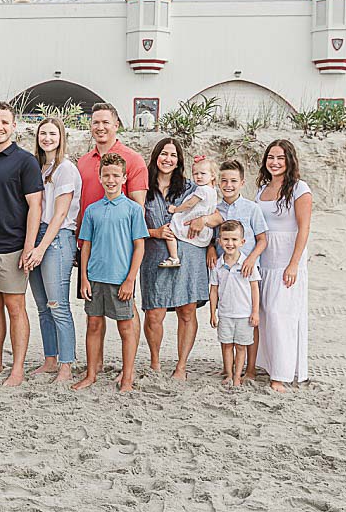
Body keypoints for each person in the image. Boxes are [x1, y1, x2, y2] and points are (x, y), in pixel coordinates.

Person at [0, 102, 44, 387]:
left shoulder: (26, 161)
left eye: (4, 122)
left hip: (13, 247)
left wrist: (29, 247)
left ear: (14, 126)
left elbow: (35, 206)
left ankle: (17, 368)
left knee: (15, 307)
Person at [138, 137, 218, 380]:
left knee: (187, 311)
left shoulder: (191, 187)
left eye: (173, 155)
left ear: (178, 160)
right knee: (154, 313)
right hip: (154, 254)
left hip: (190, 254)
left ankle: (181, 367)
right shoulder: (142, 186)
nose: (168, 159)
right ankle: (155, 364)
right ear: (156, 156)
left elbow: (217, 215)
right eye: (163, 153)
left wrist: (205, 225)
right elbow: (132, 221)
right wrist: (154, 232)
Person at [72, 153, 147, 392]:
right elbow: (86, 246)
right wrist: (84, 278)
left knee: (126, 327)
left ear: (124, 177)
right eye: (106, 175)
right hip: (95, 278)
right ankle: (91, 374)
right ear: (100, 176)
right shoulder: (93, 210)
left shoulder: (133, 210)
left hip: (120, 279)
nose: (111, 179)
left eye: (116, 175)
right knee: (93, 325)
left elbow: (139, 246)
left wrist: (130, 279)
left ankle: (127, 377)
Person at [254, 139, 313, 392]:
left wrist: (294, 264)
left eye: (280, 158)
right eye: (270, 157)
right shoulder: (262, 191)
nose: (275, 162)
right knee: (266, 315)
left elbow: (304, 227)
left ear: (289, 160)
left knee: (282, 316)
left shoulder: (300, 189)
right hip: (264, 260)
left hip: (287, 260)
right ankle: (268, 365)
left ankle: (281, 374)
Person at [25, 117, 80, 382]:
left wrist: (40, 249)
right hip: (37, 235)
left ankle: (66, 364)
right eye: (43, 133)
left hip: (57, 238)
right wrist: (30, 245)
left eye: (52, 133)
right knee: (42, 306)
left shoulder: (65, 169)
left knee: (58, 305)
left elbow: (60, 215)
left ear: (61, 137)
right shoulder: (37, 167)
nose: (47, 138)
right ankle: (50, 359)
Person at [206, 158, 269, 373]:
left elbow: (262, 239)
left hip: (247, 270)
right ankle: (229, 369)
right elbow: (212, 237)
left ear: (242, 182)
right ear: (217, 183)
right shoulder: (214, 209)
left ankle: (250, 368)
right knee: (228, 317)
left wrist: (251, 259)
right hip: (225, 272)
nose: (228, 185)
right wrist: (211, 248)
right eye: (224, 181)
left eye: (233, 180)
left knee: (249, 320)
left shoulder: (252, 209)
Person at [75, 102, 148, 230]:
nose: (100, 127)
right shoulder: (82, 162)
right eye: (96, 122)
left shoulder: (134, 160)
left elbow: (138, 208)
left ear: (116, 126)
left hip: (118, 241)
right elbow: (79, 206)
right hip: (87, 241)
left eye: (105, 122)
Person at [209, 221, 261, 387]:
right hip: (225, 314)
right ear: (219, 241)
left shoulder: (248, 264)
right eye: (225, 239)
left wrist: (255, 312)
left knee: (240, 347)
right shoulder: (217, 265)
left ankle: (238, 376)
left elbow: (254, 289)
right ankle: (229, 374)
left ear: (242, 242)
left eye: (234, 239)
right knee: (226, 345)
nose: (229, 243)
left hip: (244, 314)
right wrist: (212, 313)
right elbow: (214, 290)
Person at [160, 156, 218, 268]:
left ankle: (174, 257)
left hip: (191, 221)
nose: (199, 177)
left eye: (203, 173)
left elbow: (189, 204)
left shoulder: (202, 189)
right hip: (205, 229)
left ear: (212, 175)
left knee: (171, 229)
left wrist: (175, 210)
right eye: (195, 174)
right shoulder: (213, 191)